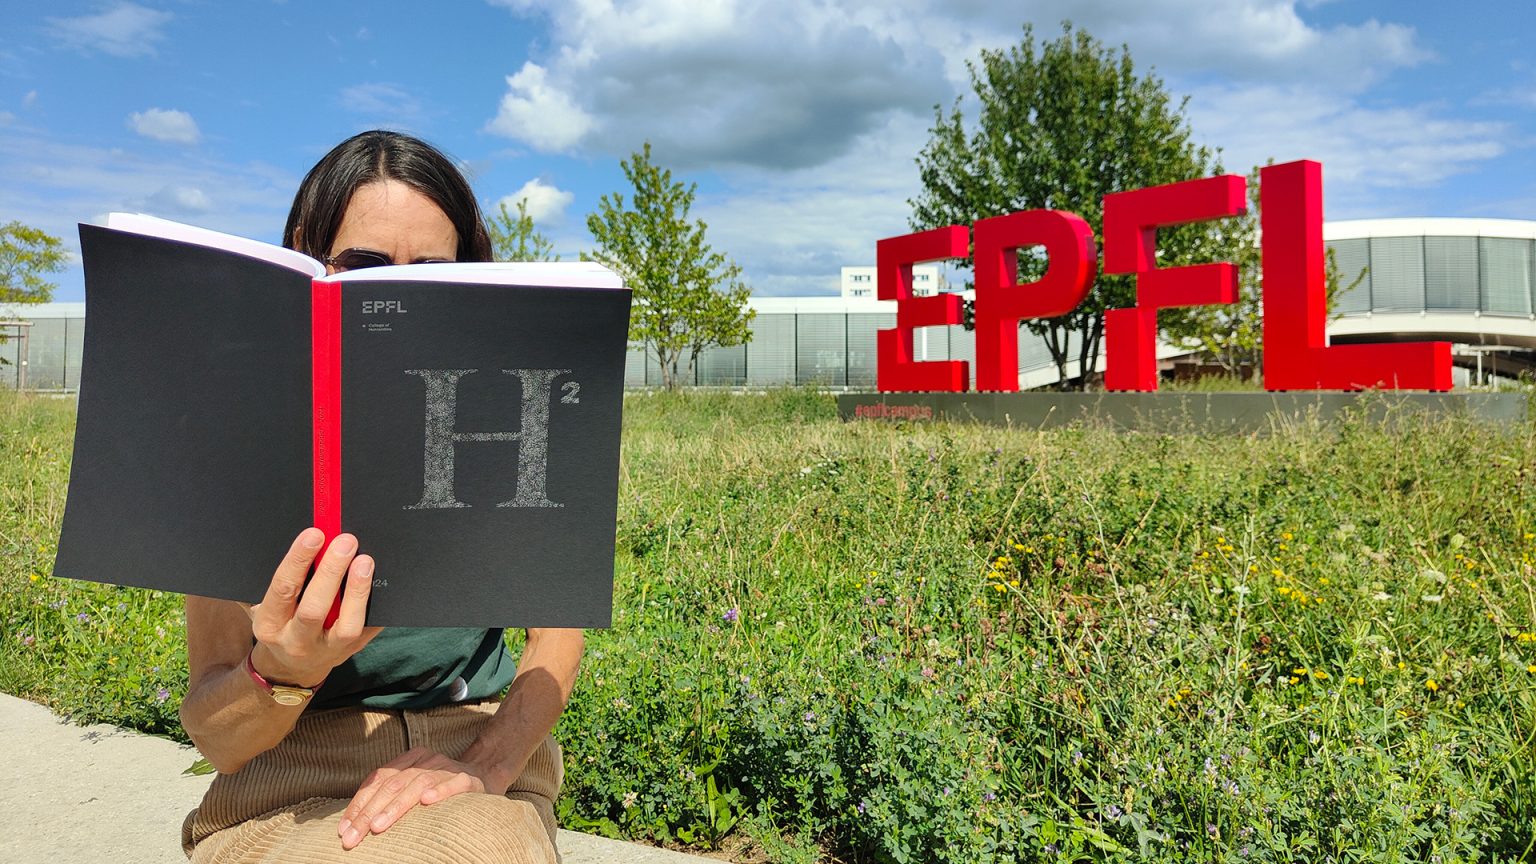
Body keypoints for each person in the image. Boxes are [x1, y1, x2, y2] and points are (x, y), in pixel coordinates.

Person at [178, 130, 584, 864]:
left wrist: (487, 764)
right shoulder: (236, 436)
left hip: (471, 756)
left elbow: (557, 637)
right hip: (287, 779)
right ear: (308, 261)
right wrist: (283, 672)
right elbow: (216, 736)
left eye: (433, 274)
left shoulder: (514, 408)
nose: (397, 295)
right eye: (363, 266)